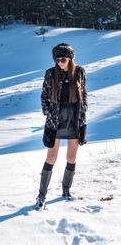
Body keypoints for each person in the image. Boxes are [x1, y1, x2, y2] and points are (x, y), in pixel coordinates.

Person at [35, 43, 88, 210]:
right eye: (57, 60)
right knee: (51, 157)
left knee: (71, 158)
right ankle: (41, 196)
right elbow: (44, 95)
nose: (60, 62)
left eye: (63, 59)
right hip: (56, 119)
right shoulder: (50, 74)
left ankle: (66, 191)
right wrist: (48, 111)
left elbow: (84, 93)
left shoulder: (79, 72)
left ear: (70, 59)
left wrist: (83, 108)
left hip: (74, 118)